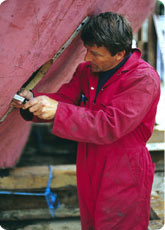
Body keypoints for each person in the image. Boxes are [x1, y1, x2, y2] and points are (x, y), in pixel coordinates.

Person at [11, 12, 160, 230]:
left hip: (124, 169)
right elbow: (64, 99)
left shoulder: (143, 79)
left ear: (119, 54)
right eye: (87, 50)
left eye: (96, 54)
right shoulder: (86, 71)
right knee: (91, 223)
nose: (87, 58)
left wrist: (58, 111)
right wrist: (32, 102)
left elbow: (110, 125)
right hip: (89, 161)